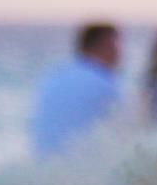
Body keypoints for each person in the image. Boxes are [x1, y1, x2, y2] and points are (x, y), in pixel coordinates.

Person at [28, 22, 124, 158]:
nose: (120, 53)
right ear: (104, 45)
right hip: (80, 169)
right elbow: (126, 129)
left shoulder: (55, 76)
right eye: (116, 44)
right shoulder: (103, 81)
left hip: (41, 168)